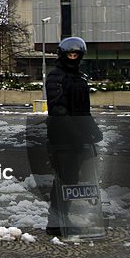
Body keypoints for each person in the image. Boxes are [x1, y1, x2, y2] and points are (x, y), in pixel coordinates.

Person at [44, 36, 103, 238]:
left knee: (72, 180)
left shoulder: (80, 78)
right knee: (64, 179)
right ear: (62, 55)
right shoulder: (55, 77)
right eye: (69, 54)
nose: (72, 57)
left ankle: (61, 218)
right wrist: (75, 135)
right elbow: (58, 110)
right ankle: (56, 220)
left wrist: (92, 129)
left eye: (76, 54)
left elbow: (83, 109)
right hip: (61, 137)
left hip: (78, 135)